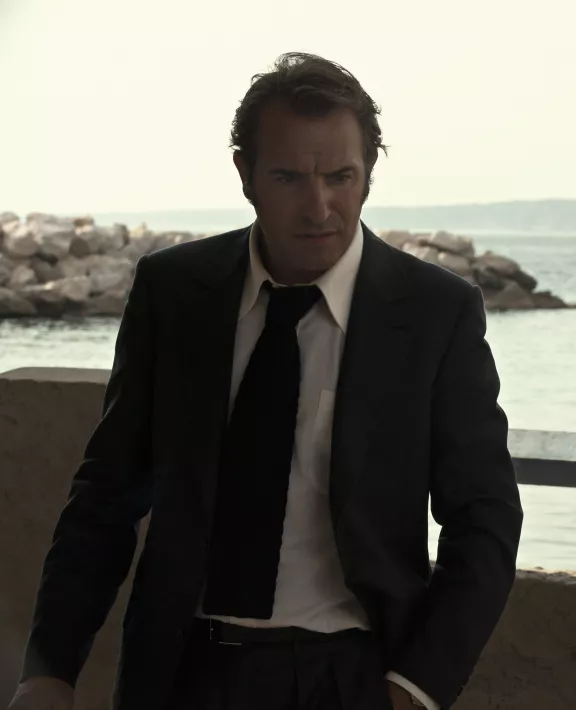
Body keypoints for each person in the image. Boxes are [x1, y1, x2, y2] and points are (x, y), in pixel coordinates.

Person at [9, 52, 523, 710]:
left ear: (369, 173)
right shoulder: (175, 292)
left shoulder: (435, 312)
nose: (319, 206)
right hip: (180, 674)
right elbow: (106, 495)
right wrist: (49, 669)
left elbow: (484, 518)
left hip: (352, 678)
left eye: (340, 176)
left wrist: (414, 689)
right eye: (288, 177)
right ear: (245, 175)